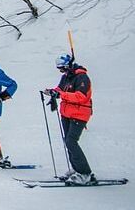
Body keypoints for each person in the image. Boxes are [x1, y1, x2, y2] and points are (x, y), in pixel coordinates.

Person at [46, 53, 95, 185]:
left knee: (71, 141)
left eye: (62, 68)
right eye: (59, 68)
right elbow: (60, 89)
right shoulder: (66, 77)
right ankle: (76, 169)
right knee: (68, 142)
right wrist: (52, 92)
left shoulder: (82, 78)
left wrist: (61, 94)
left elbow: (81, 96)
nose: (60, 71)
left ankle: (85, 173)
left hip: (80, 114)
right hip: (67, 113)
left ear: (68, 65)